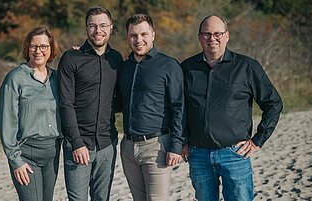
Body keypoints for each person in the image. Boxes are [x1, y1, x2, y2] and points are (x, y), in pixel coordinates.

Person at [181, 15, 283, 201]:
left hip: (234, 154)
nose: (212, 38)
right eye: (207, 34)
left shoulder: (247, 67)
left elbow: (273, 103)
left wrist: (258, 140)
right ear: (199, 37)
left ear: (227, 36)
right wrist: (182, 141)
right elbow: (178, 109)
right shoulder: (187, 68)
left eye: (218, 33)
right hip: (198, 155)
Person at [57, 6, 123, 201]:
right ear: (86, 28)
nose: (98, 30)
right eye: (93, 26)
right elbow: (65, 104)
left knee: (102, 198)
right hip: (78, 144)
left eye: (103, 25)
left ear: (111, 27)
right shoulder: (71, 58)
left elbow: (121, 99)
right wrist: (77, 143)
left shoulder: (116, 59)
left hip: (107, 144)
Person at [117, 14, 185, 201]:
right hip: (128, 148)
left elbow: (179, 106)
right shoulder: (124, 67)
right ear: (127, 37)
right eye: (133, 35)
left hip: (157, 147)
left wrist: (176, 145)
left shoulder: (168, 65)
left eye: (144, 34)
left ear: (153, 34)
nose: (139, 40)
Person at [0, 25, 61, 201]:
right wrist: (16, 161)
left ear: (51, 49)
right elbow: (7, 123)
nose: (38, 51)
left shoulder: (58, 78)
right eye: (33, 46)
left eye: (43, 46)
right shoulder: (15, 78)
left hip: (53, 154)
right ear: (27, 48)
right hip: (26, 154)